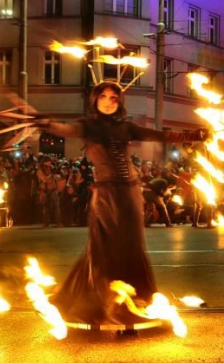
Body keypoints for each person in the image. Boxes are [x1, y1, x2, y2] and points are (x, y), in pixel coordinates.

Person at [38, 81, 207, 328]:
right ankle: (99, 305)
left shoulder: (126, 127)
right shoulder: (88, 126)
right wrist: (46, 123)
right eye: (103, 96)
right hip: (106, 193)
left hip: (129, 193)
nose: (108, 101)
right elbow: (66, 129)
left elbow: (160, 135)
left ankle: (133, 304)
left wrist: (192, 135)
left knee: (131, 246)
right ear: (95, 99)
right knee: (103, 246)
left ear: (119, 102)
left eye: (114, 97)